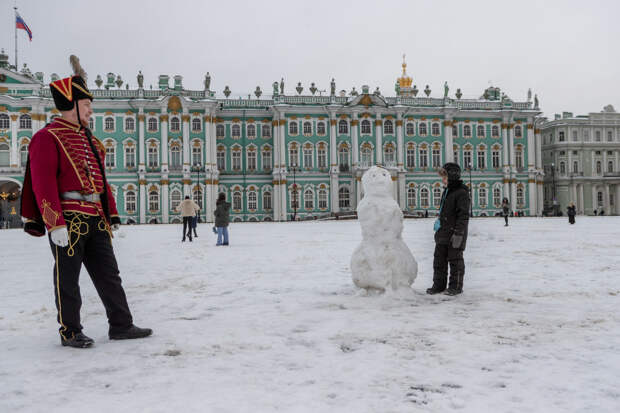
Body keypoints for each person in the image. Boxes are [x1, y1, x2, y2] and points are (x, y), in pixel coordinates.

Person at [20, 55, 151, 348]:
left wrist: (110, 213)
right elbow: (43, 182)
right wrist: (54, 224)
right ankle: (70, 331)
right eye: (87, 106)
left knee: (110, 275)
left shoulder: (90, 140)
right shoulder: (47, 137)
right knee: (67, 279)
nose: (91, 111)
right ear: (70, 106)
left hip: (94, 216)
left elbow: (101, 180)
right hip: (69, 219)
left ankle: (121, 324)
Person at [427, 163, 470, 296]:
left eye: (444, 176)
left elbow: (463, 216)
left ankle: (455, 286)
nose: (442, 179)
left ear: (452, 176)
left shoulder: (461, 193)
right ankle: (438, 285)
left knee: (455, 260)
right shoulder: (447, 192)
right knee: (439, 260)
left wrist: (458, 233)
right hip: (443, 232)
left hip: (455, 233)